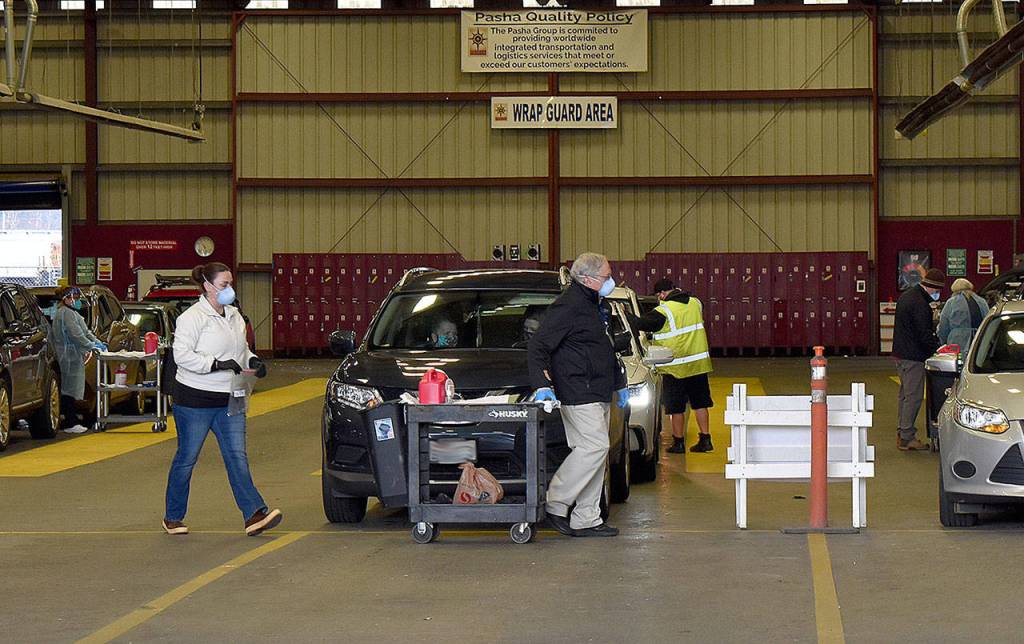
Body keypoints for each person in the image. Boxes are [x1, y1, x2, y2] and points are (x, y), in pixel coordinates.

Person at [163, 262, 281, 536]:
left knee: (237, 457)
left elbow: (243, 350)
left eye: (230, 284)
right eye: (224, 285)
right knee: (187, 458)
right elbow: (182, 356)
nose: (229, 289)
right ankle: (173, 516)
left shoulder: (235, 316)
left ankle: (254, 514)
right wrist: (215, 364)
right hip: (195, 400)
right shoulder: (191, 319)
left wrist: (253, 361)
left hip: (232, 396)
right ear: (207, 286)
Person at [528, 252, 628, 538]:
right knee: (594, 448)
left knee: (597, 453)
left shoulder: (596, 305)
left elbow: (604, 348)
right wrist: (541, 385)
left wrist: (619, 382)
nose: (612, 280)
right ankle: (556, 502)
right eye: (607, 277)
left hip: (598, 389)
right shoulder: (569, 306)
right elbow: (538, 346)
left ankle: (587, 517)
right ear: (587, 279)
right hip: (578, 390)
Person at [629, 278, 714, 453]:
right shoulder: (695, 303)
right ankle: (706, 439)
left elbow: (641, 324)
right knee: (700, 403)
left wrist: (625, 314)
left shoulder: (663, 311)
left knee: (676, 407)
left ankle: (678, 443)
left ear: (661, 294)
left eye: (659, 294)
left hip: (674, 367)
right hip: (697, 365)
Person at [892, 267, 945, 451]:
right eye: (937, 291)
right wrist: (937, 350)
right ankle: (907, 437)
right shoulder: (920, 304)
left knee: (905, 395)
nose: (937, 295)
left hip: (901, 353)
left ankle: (902, 432)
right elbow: (923, 334)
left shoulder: (907, 296)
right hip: (913, 356)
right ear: (931, 287)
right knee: (914, 397)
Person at [48, 286, 107, 434]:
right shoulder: (65, 314)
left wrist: (97, 342)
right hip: (67, 357)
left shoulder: (72, 313)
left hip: (73, 356)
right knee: (68, 390)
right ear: (66, 299)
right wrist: (91, 345)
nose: (78, 301)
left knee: (71, 390)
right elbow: (76, 335)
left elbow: (85, 332)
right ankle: (70, 422)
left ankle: (71, 420)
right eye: (75, 297)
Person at [937, 278, 989, 354]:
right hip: (979, 341)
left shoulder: (951, 303)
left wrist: (943, 342)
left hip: (956, 343)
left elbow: (943, 326)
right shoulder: (982, 301)